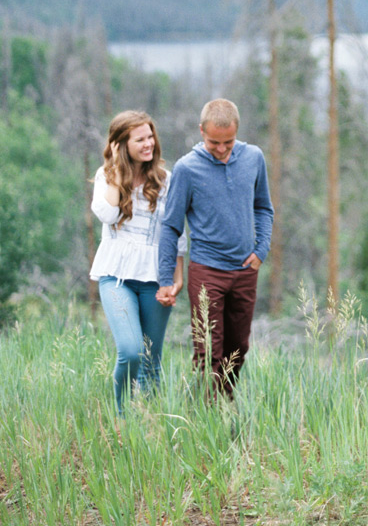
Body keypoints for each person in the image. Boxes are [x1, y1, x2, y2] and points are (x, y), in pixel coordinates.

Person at [157, 98, 273, 397]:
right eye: (213, 142)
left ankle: (224, 404)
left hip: (245, 270)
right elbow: (171, 225)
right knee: (208, 350)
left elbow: (263, 207)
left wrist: (261, 250)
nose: (221, 149)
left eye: (228, 142)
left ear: (237, 132)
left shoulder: (253, 158)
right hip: (207, 271)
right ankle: (203, 416)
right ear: (201, 131)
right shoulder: (187, 168)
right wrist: (165, 280)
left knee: (239, 348)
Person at [90, 110, 187, 412]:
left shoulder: (167, 180)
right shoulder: (105, 177)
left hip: (155, 276)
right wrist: (118, 174)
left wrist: (177, 277)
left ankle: (152, 426)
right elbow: (107, 215)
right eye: (139, 139)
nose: (149, 143)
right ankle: (121, 418)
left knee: (150, 360)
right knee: (131, 352)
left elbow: (176, 232)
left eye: (150, 136)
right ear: (121, 144)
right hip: (115, 275)